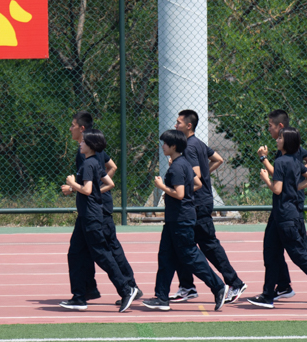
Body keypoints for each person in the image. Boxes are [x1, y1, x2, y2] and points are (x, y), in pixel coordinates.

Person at [247, 127, 307, 310]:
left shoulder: (281, 161)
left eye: (280, 138)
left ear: (286, 142)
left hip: (285, 216)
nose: (277, 140)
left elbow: (277, 189)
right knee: (271, 253)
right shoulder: (295, 161)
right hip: (286, 214)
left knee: (298, 254)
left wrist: (266, 179)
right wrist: (294, 188)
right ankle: (267, 295)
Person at [142, 130, 228, 312]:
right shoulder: (183, 164)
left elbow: (180, 194)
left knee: (190, 255)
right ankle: (162, 297)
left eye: (165, 143)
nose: (162, 146)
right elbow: (197, 183)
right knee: (165, 256)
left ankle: (218, 286)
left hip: (181, 220)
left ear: (173, 146)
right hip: (175, 219)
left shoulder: (176, 167)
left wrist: (162, 187)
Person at [170, 109, 247, 304]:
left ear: (188, 126)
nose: (175, 125)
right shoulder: (199, 144)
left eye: (178, 122)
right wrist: (205, 176)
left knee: (208, 246)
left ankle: (234, 282)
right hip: (198, 202)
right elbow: (218, 159)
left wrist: (190, 176)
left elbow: (194, 175)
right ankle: (187, 286)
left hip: (197, 204)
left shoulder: (188, 147)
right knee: (182, 245)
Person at [60, 111, 137, 306]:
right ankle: (84, 292)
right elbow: (110, 172)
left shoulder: (86, 155)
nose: (70, 129)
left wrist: (78, 188)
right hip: (91, 208)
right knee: (80, 251)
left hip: (96, 210)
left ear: (82, 130)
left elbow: (91, 184)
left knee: (106, 250)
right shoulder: (92, 153)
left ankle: (128, 287)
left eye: (72, 125)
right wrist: (92, 190)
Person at [257, 109, 307, 303]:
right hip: (281, 206)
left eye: (270, 126)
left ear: (280, 127)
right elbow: (278, 171)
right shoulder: (281, 151)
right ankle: (282, 286)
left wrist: (293, 175)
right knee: (271, 247)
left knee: (302, 249)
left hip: (290, 205)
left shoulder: (292, 149)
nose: (268, 129)